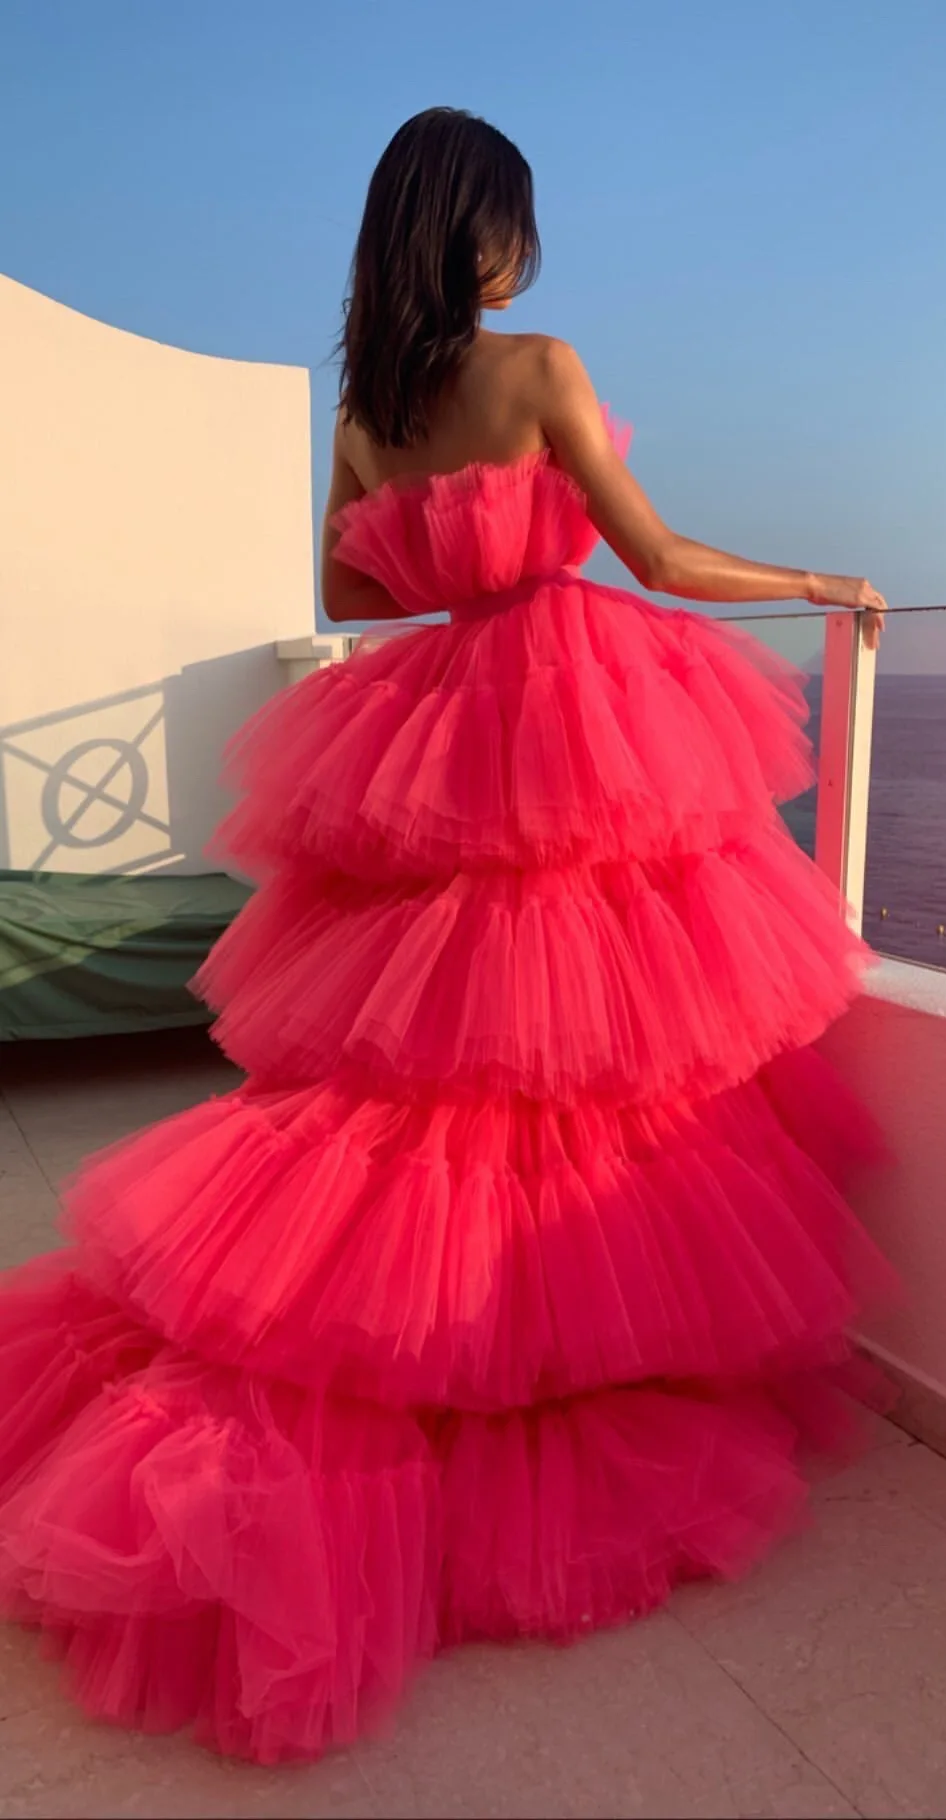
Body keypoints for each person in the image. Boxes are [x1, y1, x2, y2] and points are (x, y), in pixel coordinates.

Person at [0, 106, 893, 1766]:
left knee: (418, 1086)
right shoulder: (540, 366)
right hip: (565, 699)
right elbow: (659, 556)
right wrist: (825, 582)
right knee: (574, 1066)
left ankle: (398, 1340)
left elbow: (349, 602)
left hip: (441, 713)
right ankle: (536, 1343)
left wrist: (464, 572)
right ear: (489, 232)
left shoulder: (365, 412)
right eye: (517, 224)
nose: (525, 252)